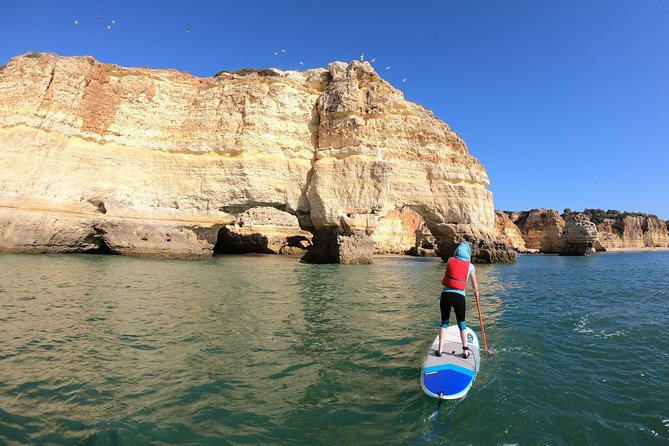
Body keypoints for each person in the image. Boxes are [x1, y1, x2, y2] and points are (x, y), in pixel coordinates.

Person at [436, 240, 479, 359]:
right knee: (462, 323)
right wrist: (476, 292)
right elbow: (474, 285)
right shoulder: (470, 267)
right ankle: (465, 351)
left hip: (445, 295)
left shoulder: (450, 260)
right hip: (459, 297)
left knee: (444, 322)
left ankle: (439, 350)